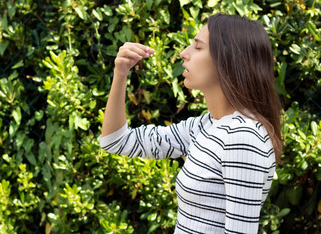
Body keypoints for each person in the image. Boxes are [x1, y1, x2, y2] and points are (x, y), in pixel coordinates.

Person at [98, 13, 283, 234]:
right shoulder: (206, 126)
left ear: (229, 59)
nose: (183, 54)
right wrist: (121, 74)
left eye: (197, 47)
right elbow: (116, 141)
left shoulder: (243, 137)